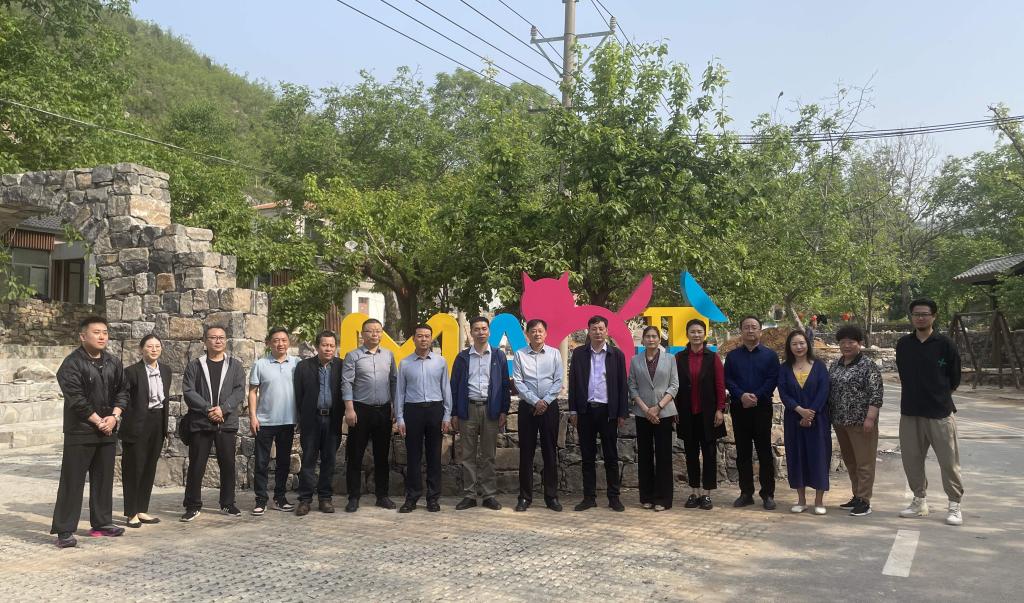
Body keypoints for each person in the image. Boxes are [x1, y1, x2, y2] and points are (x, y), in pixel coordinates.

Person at [51, 316, 128, 548]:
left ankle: (102, 522)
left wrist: (114, 417)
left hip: (108, 429)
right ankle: (64, 530)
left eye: (105, 332)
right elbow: (76, 399)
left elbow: (123, 391)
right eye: (96, 332)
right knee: (72, 480)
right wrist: (98, 421)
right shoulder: (71, 364)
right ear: (83, 336)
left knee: (103, 479)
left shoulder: (113, 362)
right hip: (80, 430)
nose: (102, 336)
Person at [897, 298, 964, 526]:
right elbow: (904, 375)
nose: (920, 318)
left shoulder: (945, 344)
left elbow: (954, 378)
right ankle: (919, 501)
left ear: (933, 316)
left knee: (949, 462)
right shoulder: (904, 344)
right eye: (916, 314)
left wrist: (939, 396)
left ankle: (954, 504)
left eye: (925, 314)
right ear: (912, 317)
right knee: (911, 460)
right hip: (910, 412)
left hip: (940, 413)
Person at [181, 324, 246, 522]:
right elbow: (188, 391)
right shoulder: (195, 365)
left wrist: (223, 409)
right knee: (197, 465)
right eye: (213, 337)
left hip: (226, 423)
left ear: (225, 341)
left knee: (228, 464)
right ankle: (192, 505)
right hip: (201, 422)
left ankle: (228, 503)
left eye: (221, 337)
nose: (218, 341)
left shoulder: (235, 365)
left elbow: (239, 391)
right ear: (205, 341)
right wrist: (209, 409)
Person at [450, 316, 511, 511]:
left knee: (488, 455)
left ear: (489, 331)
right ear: (471, 333)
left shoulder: (498, 356)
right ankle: (469, 495)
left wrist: (503, 410)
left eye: (484, 328)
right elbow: (454, 386)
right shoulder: (462, 357)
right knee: (467, 454)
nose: (481, 332)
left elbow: (504, 386)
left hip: (491, 409)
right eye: (477, 329)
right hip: (467, 409)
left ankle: (488, 495)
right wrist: (454, 413)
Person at [569, 315, 629, 512]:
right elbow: (573, 383)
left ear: (607, 331)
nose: (597, 332)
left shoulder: (616, 355)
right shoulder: (579, 354)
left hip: (608, 412)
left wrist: (621, 413)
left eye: (601, 328)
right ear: (589, 331)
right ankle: (589, 497)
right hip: (585, 411)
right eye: (594, 329)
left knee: (611, 456)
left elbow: (622, 385)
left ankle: (614, 497)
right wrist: (573, 410)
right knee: (587, 457)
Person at [394, 324, 453, 513]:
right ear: (413, 338)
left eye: (427, 336)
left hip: (435, 410)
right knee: (413, 456)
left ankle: (433, 498)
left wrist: (447, 414)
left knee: (434, 456)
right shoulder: (405, 363)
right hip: (413, 411)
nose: (424, 339)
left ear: (431, 338)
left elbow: (446, 389)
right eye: (420, 336)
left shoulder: (440, 362)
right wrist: (400, 418)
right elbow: (400, 392)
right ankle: (412, 497)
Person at [724, 315, 780, 510]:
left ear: (760, 331)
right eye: (746, 327)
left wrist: (756, 396)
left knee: (764, 452)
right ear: (741, 331)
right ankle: (746, 493)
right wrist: (741, 396)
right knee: (743, 452)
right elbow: (728, 379)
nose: (750, 330)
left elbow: (772, 379)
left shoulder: (770, 356)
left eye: (754, 327)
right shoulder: (732, 356)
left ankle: (768, 494)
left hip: (762, 408)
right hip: (739, 408)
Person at [342, 318, 398, 512]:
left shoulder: (389, 355)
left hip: (383, 410)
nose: (375, 334)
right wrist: (349, 408)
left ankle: (382, 496)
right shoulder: (353, 356)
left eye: (378, 331)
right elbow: (346, 383)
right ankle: (353, 497)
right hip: (360, 410)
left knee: (382, 456)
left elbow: (393, 381)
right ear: (362, 334)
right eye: (370, 331)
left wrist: (394, 405)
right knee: (355, 455)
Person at [828, 325, 883, 517]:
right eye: (843, 342)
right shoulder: (836, 364)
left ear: (859, 343)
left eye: (851, 342)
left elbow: (876, 394)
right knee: (850, 461)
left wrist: (870, 418)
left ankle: (865, 500)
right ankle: (856, 495)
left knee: (864, 462)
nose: (846, 345)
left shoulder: (868, 365)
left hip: (862, 422)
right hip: (840, 421)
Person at [511, 319, 564, 512]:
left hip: (549, 407)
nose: (537, 334)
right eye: (533, 331)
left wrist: (545, 401)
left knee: (550, 452)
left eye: (540, 331)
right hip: (528, 407)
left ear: (546, 333)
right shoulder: (520, 354)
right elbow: (518, 381)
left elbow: (558, 381)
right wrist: (535, 401)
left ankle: (551, 497)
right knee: (526, 453)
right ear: (527, 334)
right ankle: (525, 497)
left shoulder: (555, 353)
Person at [675, 319, 727, 511]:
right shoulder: (679, 358)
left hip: (709, 414)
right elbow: (674, 386)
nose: (696, 335)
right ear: (687, 334)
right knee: (690, 454)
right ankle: (694, 492)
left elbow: (720, 385)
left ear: (704, 334)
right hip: (686, 413)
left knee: (709, 454)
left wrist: (720, 409)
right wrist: (674, 410)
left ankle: (707, 494)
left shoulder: (712, 358)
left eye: (699, 331)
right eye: (692, 332)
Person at [778, 330, 831, 515]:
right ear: (789, 347)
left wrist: (810, 414)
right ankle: (801, 500)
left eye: (802, 343)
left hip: (818, 420)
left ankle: (819, 501)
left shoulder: (819, 366)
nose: (799, 347)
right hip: (794, 419)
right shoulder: (784, 368)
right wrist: (800, 410)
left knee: (819, 457)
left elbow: (824, 391)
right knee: (797, 457)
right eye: (794, 344)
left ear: (808, 344)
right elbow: (784, 393)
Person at [628, 325, 679, 511]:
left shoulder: (670, 359)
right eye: (647, 336)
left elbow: (674, 385)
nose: (651, 339)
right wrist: (646, 410)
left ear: (659, 339)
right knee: (645, 455)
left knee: (664, 456)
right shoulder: (635, 360)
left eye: (654, 336)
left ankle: (663, 499)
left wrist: (658, 408)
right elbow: (632, 386)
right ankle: (647, 497)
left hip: (664, 413)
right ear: (642, 340)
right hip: (642, 413)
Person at [121, 334, 171, 528]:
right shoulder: (131, 372)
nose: (154, 349)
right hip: (137, 424)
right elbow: (124, 398)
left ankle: (142, 509)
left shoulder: (165, 370)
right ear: (141, 349)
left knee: (150, 466)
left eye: (157, 346)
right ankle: (131, 512)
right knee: (134, 467)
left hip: (158, 421)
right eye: (150, 346)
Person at [248, 327, 299, 516]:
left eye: (284, 340)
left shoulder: (297, 363)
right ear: (269, 343)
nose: (280, 344)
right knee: (261, 463)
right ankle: (260, 500)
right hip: (264, 422)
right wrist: (253, 416)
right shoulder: (260, 364)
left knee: (283, 463)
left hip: (288, 421)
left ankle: (280, 498)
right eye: (276, 340)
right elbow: (252, 391)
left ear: (289, 342)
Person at [294, 330, 343, 516]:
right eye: (324, 345)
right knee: (308, 460)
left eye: (332, 345)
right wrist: (301, 418)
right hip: (311, 420)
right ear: (317, 346)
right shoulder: (303, 367)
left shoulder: (341, 366)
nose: (328, 349)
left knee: (329, 460)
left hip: (333, 419)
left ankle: (325, 498)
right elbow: (298, 395)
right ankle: (305, 500)